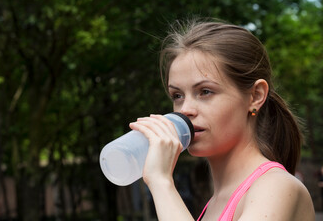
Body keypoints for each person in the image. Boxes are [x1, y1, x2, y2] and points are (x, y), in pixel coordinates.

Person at [129, 19, 315, 220]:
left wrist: (161, 181)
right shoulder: (216, 202)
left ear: (255, 96)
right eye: (177, 96)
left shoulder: (276, 186)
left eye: (205, 91)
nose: (185, 110)